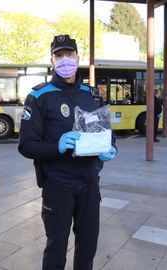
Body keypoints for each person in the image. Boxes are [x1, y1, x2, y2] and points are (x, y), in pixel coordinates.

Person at [18, 34, 117, 270]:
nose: (64, 60)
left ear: (77, 57)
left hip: (89, 184)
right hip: (57, 186)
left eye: (68, 54)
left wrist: (110, 148)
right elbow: (26, 145)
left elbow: (108, 134)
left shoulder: (91, 94)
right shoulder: (39, 96)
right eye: (59, 55)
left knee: (88, 247)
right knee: (56, 248)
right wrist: (57, 146)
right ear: (52, 60)